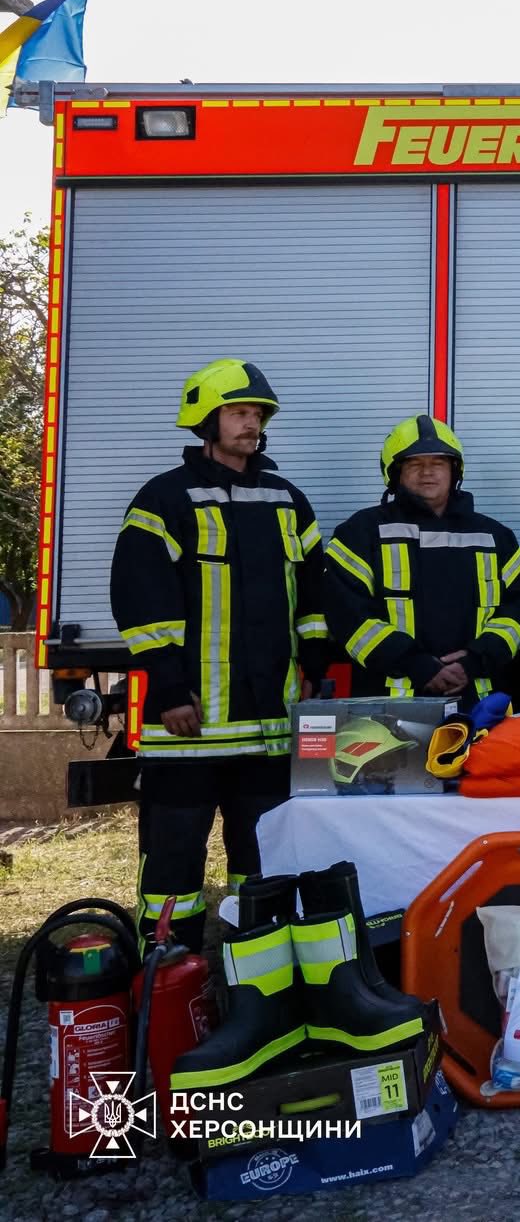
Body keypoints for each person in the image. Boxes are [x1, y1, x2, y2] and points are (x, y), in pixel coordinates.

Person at [110, 359, 328, 950]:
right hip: (191, 722)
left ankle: (253, 961)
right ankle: (166, 963)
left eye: (257, 414)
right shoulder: (165, 498)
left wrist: (313, 663)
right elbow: (141, 600)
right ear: (206, 420)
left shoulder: (287, 500)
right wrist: (166, 687)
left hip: (268, 729)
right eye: (238, 413)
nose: (251, 423)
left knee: (261, 858)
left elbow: (313, 594)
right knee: (174, 857)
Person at [325, 416, 520, 706]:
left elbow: (515, 612)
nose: (427, 472)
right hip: (387, 705)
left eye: (438, 463)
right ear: (395, 473)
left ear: (454, 470)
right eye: (414, 464)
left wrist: (474, 660)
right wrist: (415, 664)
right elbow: (347, 615)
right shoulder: (360, 533)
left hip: (478, 702)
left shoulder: (496, 537)